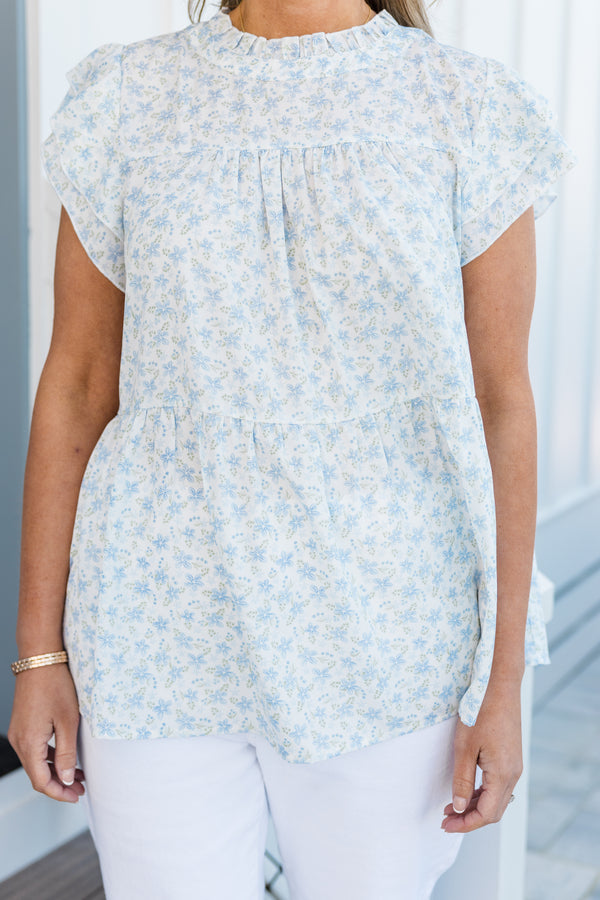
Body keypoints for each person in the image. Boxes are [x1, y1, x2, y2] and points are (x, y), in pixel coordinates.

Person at [9, 1, 577, 897]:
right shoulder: (127, 98)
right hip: (156, 620)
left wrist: (499, 683)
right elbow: (77, 385)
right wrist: (38, 654)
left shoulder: (468, 107)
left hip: (391, 632)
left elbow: (500, 404)